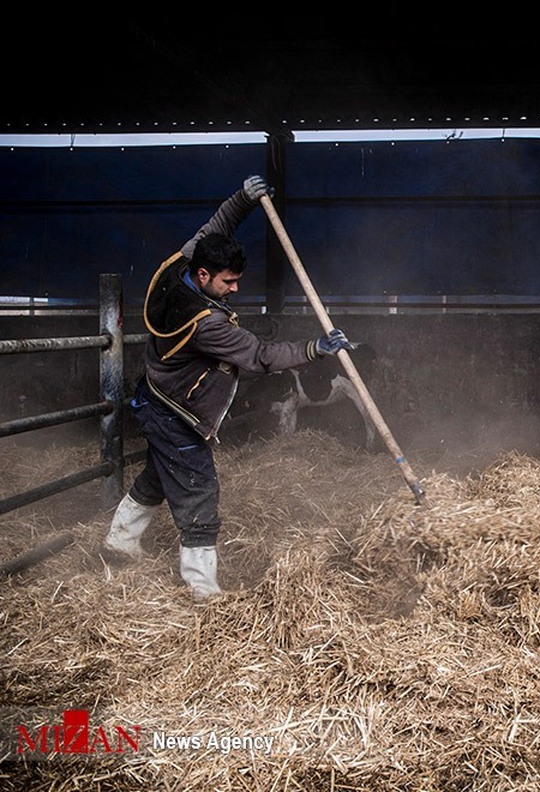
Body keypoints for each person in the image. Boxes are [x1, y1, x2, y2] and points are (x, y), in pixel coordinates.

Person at [103, 175, 353, 598]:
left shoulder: (176, 270)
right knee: (199, 489)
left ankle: (120, 541)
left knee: (162, 475)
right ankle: (203, 589)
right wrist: (314, 348)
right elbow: (261, 357)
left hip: (156, 396)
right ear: (203, 275)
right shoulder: (207, 325)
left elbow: (214, 229)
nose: (236, 289)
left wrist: (243, 200)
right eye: (228, 282)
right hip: (175, 413)